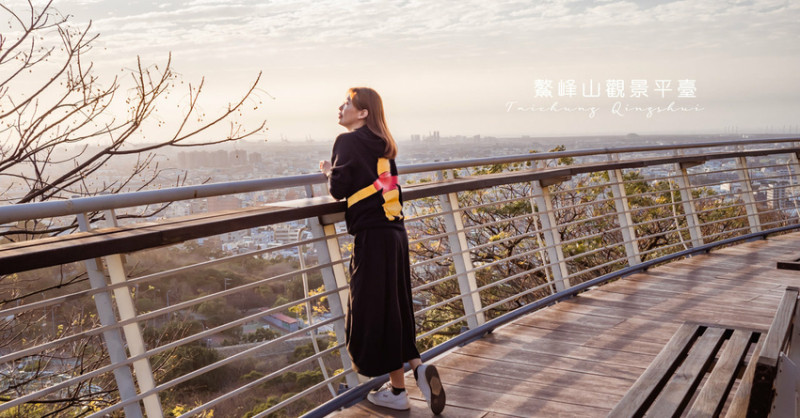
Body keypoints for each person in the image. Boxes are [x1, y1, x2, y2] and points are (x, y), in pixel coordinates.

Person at [320, 87, 446, 414]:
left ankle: (392, 380)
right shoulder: (385, 146)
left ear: (362, 113)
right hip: (395, 233)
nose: (341, 107)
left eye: (347, 103)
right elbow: (388, 188)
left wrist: (326, 171)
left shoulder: (346, 141)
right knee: (396, 307)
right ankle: (408, 380)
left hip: (372, 238)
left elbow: (338, 190)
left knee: (369, 309)